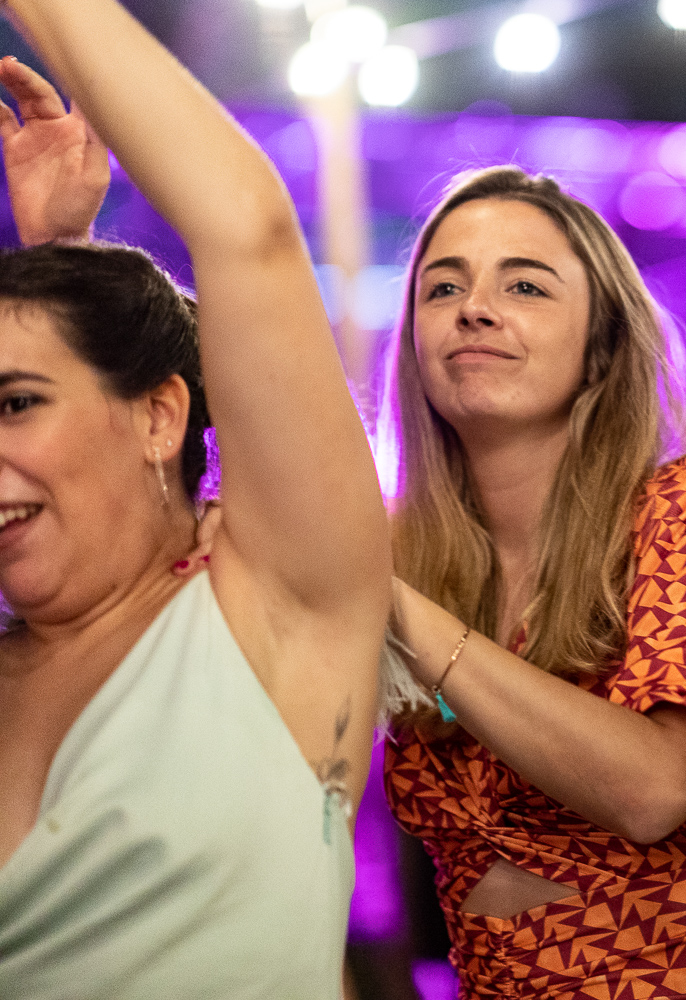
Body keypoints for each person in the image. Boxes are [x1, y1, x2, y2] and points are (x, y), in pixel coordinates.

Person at [0, 1, 390, 996]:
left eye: (16, 404)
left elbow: (246, 227)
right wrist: (65, 265)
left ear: (161, 417)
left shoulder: (275, 607)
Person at [378, 166, 686, 1000]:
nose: (474, 308)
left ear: (602, 347)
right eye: (443, 287)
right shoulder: (400, 552)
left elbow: (655, 790)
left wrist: (398, 608)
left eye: (524, 285)